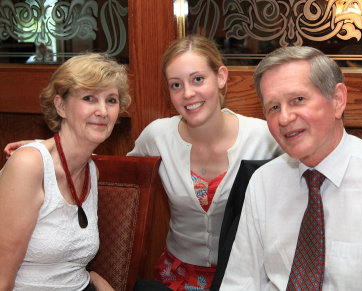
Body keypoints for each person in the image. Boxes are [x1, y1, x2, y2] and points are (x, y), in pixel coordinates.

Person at [3, 35, 282, 290]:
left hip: (244, 277)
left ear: (221, 77)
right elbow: (113, 168)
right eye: (176, 84)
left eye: (198, 79)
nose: (188, 93)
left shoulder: (266, 137)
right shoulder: (158, 135)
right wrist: (45, 149)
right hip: (176, 277)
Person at [219, 46, 362, 290]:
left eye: (298, 100)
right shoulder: (264, 182)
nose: (284, 118)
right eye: (273, 107)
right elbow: (240, 282)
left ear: (337, 100)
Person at [0, 53, 131, 290]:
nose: (103, 110)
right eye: (89, 98)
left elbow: (70, 266)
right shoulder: (29, 166)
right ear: (61, 106)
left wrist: (97, 281)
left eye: (111, 100)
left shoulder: (91, 170)